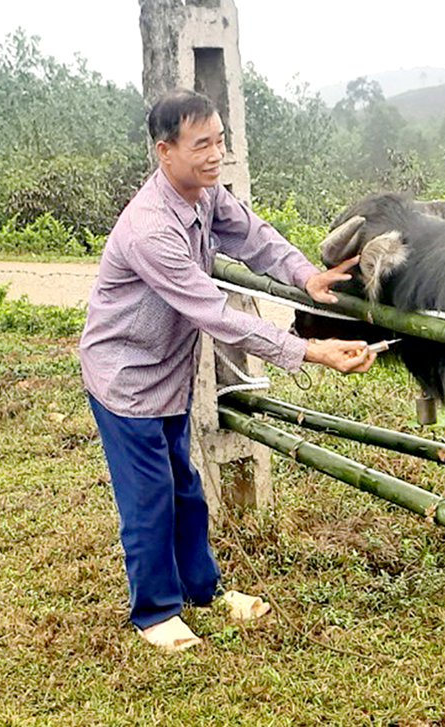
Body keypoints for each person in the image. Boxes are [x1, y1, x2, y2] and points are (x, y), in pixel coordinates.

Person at [79, 89, 376, 651]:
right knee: (149, 494)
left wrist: (305, 274)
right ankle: (155, 612)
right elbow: (213, 313)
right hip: (125, 376)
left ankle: (203, 590)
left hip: (167, 369)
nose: (215, 154)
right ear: (164, 152)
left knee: (184, 487)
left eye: (219, 140)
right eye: (201, 145)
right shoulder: (150, 228)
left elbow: (253, 236)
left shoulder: (205, 195)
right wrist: (309, 351)